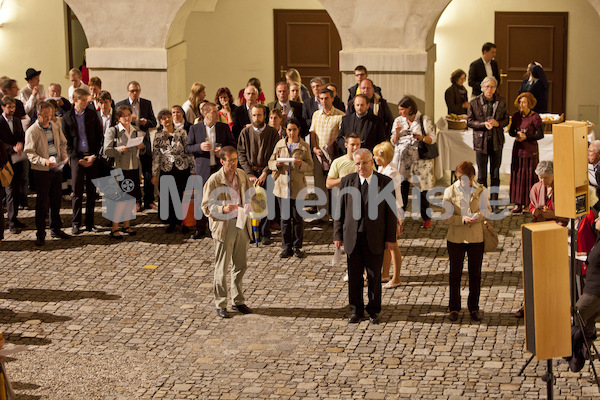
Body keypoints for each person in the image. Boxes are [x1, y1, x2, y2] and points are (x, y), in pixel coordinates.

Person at [333, 148, 396, 324]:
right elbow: (339, 210)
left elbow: (391, 214)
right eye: (358, 163)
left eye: (364, 163)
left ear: (372, 163)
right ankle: (355, 310)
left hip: (374, 237)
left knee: (374, 276)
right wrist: (337, 234)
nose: (361, 167)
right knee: (354, 276)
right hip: (352, 237)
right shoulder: (347, 181)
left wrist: (390, 239)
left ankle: (374, 310)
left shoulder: (385, 183)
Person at [201, 146, 253, 319]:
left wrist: (249, 203)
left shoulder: (241, 175)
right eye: (229, 160)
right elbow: (206, 207)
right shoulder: (214, 180)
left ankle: (238, 300)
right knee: (221, 267)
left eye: (235, 159)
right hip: (224, 226)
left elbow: (251, 193)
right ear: (222, 161)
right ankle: (221, 303)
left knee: (240, 264)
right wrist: (223, 209)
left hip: (241, 223)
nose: (232, 163)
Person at [443, 161, 490, 322]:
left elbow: (487, 210)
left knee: (475, 274)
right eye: (460, 179)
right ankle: (454, 307)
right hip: (456, 238)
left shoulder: (481, 190)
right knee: (454, 274)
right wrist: (462, 219)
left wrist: (478, 216)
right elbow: (446, 216)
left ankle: (474, 307)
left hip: (476, 238)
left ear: (472, 177)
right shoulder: (449, 192)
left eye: (466, 179)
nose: (463, 182)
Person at [186, 102, 236, 239]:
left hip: (219, 169)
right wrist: (200, 147)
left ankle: (221, 226)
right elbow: (188, 148)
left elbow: (232, 145)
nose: (218, 114)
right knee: (202, 199)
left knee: (220, 197)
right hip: (203, 169)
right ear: (205, 114)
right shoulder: (195, 129)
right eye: (214, 112)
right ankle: (200, 228)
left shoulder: (223, 127)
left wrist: (223, 151)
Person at [24, 101, 71, 246]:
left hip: (56, 169)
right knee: (42, 203)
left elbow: (63, 143)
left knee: (56, 200)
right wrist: (44, 161)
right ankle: (40, 234)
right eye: (45, 116)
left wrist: (63, 155)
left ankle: (56, 228)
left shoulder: (55, 126)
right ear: (38, 115)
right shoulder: (32, 131)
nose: (48, 118)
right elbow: (29, 153)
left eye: (50, 115)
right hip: (42, 171)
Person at [268, 118, 313, 258]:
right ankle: (286, 246)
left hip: (298, 186)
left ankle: (297, 246)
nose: (292, 133)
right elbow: (270, 162)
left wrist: (301, 165)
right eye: (289, 130)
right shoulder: (280, 144)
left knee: (298, 218)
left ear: (298, 130)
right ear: (285, 130)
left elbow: (310, 165)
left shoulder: (304, 146)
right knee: (285, 218)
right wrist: (276, 164)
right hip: (282, 186)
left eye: (294, 129)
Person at [390, 96, 436, 228]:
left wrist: (422, 138)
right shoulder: (398, 120)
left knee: (422, 189)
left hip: (419, 159)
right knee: (402, 188)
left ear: (409, 108)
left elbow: (433, 139)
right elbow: (393, 141)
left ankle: (426, 217)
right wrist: (397, 132)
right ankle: (401, 215)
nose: (400, 112)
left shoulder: (424, 119)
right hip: (403, 159)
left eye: (402, 109)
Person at [62, 88, 103, 234]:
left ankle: (90, 223)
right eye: (83, 100)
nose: (86, 103)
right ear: (75, 100)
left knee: (91, 192)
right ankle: (76, 223)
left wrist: (94, 155)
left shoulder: (92, 114)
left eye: (87, 100)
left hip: (91, 157)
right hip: (76, 159)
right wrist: (77, 158)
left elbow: (99, 138)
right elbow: (66, 141)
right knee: (77, 192)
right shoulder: (67, 117)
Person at [237, 104, 279, 245]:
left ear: (264, 115)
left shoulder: (272, 132)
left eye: (259, 115)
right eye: (254, 115)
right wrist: (249, 174)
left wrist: (265, 172)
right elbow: (241, 154)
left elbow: (275, 154)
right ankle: (250, 232)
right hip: (250, 173)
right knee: (248, 203)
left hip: (266, 172)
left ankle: (265, 232)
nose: (256, 118)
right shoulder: (245, 132)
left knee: (266, 202)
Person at [467, 76, 509, 213]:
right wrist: (483, 124)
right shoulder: (474, 102)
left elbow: (506, 120)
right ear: (482, 87)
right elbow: (469, 121)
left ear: (495, 88)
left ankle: (495, 202)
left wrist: (498, 123)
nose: (489, 90)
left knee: (495, 174)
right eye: (487, 87)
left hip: (496, 141)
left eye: (492, 87)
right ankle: (482, 202)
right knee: (482, 175)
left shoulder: (501, 101)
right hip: (481, 142)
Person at [103, 104, 146, 238]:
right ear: (118, 118)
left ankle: (127, 225)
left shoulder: (136, 130)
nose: (126, 118)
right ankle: (115, 228)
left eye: (128, 115)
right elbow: (106, 150)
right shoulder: (113, 131)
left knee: (130, 198)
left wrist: (142, 146)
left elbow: (143, 151)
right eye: (123, 115)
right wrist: (118, 149)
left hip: (133, 167)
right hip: (119, 168)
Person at [115, 81, 157, 210]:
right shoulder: (121, 104)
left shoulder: (146, 103)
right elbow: (116, 123)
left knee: (148, 171)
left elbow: (154, 122)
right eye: (132, 91)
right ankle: (136, 201)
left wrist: (146, 122)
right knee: (133, 173)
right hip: (128, 142)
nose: (135, 93)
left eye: (137, 90)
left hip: (142, 140)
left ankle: (149, 200)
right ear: (128, 91)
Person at [151, 109, 195, 233]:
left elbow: (189, 151)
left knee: (183, 196)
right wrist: (154, 174)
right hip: (167, 169)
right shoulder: (158, 136)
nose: (167, 120)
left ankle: (185, 223)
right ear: (160, 121)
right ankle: (173, 222)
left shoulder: (182, 133)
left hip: (182, 169)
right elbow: (156, 155)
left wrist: (193, 168)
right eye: (163, 118)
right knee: (169, 197)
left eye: (168, 117)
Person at [310, 88, 345, 220]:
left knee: (335, 186)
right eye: (321, 99)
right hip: (318, 155)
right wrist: (314, 147)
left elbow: (341, 137)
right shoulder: (316, 114)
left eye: (326, 98)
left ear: (332, 99)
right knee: (319, 185)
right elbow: (312, 133)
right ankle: (322, 215)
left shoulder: (340, 115)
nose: (324, 101)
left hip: (334, 157)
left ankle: (336, 215)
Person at [372, 141, 404, 288]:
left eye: (375, 155)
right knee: (386, 244)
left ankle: (396, 277)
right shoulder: (382, 168)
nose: (373, 158)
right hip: (385, 209)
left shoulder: (391, 172)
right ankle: (385, 274)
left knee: (393, 244)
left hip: (392, 209)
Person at [508, 92, 543, 214]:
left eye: (524, 102)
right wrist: (517, 135)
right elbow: (511, 131)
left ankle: (529, 204)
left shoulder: (535, 117)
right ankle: (518, 203)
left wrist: (526, 137)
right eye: (520, 102)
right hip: (518, 150)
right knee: (518, 177)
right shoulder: (516, 116)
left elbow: (540, 134)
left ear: (529, 104)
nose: (521, 105)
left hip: (530, 151)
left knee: (528, 178)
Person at [0, 96, 27, 234]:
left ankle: (15, 217)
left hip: (18, 160)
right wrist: (12, 148)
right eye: (9, 107)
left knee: (17, 190)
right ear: (3, 107)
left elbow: (21, 135)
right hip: (5, 161)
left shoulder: (16, 121)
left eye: (14, 107)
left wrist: (21, 144)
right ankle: (10, 222)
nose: (12, 110)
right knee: (10, 192)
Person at [575, 216, 600, 341]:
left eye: (599, 218)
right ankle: (585, 352)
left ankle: (576, 353)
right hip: (592, 289)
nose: (596, 220)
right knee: (588, 322)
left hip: (595, 292)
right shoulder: (598, 239)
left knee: (577, 313)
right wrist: (588, 256)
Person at [528, 160, 567, 225]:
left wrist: (554, 215)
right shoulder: (536, 188)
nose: (542, 181)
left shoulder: (562, 189)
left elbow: (569, 214)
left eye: (546, 178)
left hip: (559, 223)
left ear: (553, 175)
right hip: (541, 222)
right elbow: (532, 205)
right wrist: (534, 211)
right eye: (541, 178)